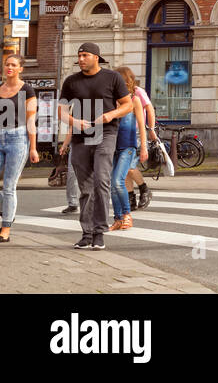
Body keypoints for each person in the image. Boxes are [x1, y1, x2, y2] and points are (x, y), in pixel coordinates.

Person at [59, 43, 133, 250]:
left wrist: (111, 114)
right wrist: (73, 122)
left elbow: (128, 104)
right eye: (79, 55)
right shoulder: (71, 82)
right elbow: (62, 112)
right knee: (85, 188)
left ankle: (99, 231)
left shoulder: (112, 78)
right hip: (81, 138)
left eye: (85, 55)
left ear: (96, 57)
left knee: (101, 179)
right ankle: (87, 233)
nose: (81, 59)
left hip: (106, 133)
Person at [0, 53, 39, 242]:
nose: (10, 67)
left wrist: (33, 147)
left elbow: (31, 120)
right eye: (7, 64)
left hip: (18, 139)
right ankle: (4, 207)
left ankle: (5, 227)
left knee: (9, 186)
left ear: (20, 69)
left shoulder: (27, 90)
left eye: (14, 65)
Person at [108, 68, 147, 231]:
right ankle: (117, 218)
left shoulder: (134, 100)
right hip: (111, 146)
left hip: (128, 146)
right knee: (113, 184)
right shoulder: (110, 100)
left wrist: (143, 147)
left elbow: (141, 125)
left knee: (118, 181)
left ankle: (126, 215)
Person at [123, 75, 156, 211]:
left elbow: (149, 109)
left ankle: (144, 188)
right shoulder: (118, 94)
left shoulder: (137, 92)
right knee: (123, 169)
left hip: (136, 132)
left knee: (129, 166)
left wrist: (152, 129)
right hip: (123, 133)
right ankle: (131, 198)